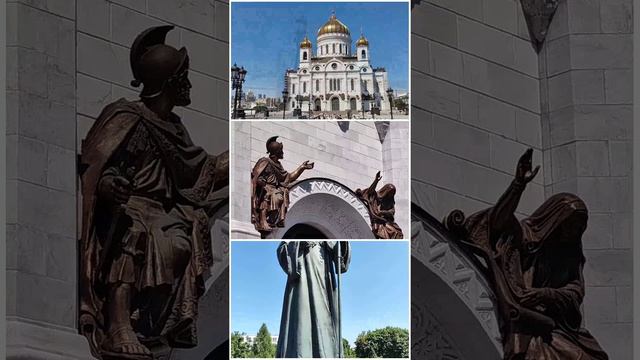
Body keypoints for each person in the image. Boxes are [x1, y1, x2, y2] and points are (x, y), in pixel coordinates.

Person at [78, 25, 229, 359]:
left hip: (164, 212)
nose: (189, 84)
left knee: (179, 240)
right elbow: (96, 167)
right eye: (184, 77)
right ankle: (118, 323)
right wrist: (107, 185)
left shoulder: (175, 128)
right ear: (169, 82)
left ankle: (148, 322)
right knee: (134, 233)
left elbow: (199, 170)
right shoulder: (126, 116)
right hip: (130, 206)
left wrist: (243, 153)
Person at [451, 149, 608, 359]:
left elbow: (575, 291)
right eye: (572, 225)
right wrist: (518, 185)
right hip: (531, 318)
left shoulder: (571, 254)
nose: (575, 232)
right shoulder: (527, 237)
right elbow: (497, 223)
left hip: (558, 324)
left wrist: (547, 294)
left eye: (580, 227)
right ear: (556, 219)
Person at [276, 241, 350, 357]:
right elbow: (282, 250)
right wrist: (298, 245)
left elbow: (341, 261)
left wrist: (343, 244)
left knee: (325, 319)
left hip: (324, 278)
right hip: (301, 277)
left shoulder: (327, 242)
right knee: (301, 319)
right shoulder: (294, 235)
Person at [250, 136, 314, 237]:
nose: (283, 152)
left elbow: (288, 177)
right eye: (281, 150)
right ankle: (263, 220)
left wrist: (302, 168)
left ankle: (271, 220)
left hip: (275, 189)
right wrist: (261, 183)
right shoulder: (265, 161)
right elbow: (255, 176)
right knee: (274, 196)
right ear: (276, 152)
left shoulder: (278, 165)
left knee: (281, 194)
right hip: (265, 189)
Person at [356, 171, 404, 239]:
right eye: (389, 193)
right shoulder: (374, 195)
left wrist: (382, 212)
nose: (390, 195)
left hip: (383, 220)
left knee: (398, 232)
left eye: (392, 194)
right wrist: (376, 181)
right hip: (377, 219)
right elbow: (370, 191)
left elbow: (392, 212)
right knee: (392, 232)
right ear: (385, 191)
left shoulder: (390, 201)